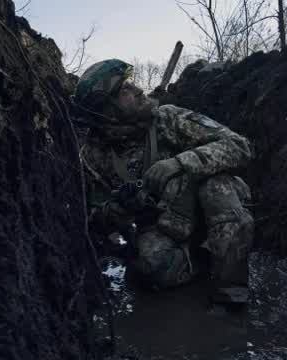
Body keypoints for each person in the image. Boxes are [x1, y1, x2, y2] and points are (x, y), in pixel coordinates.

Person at [76, 59, 254, 298]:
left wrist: (180, 163)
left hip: (209, 207)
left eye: (130, 83)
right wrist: (121, 207)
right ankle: (205, 260)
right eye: (123, 90)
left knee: (216, 188)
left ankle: (231, 292)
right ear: (106, 110)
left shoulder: (167, 119)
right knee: (149, 269)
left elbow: (239, 146)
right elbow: (94, 220)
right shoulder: (93, 155)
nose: (137, 89)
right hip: (166, 224)